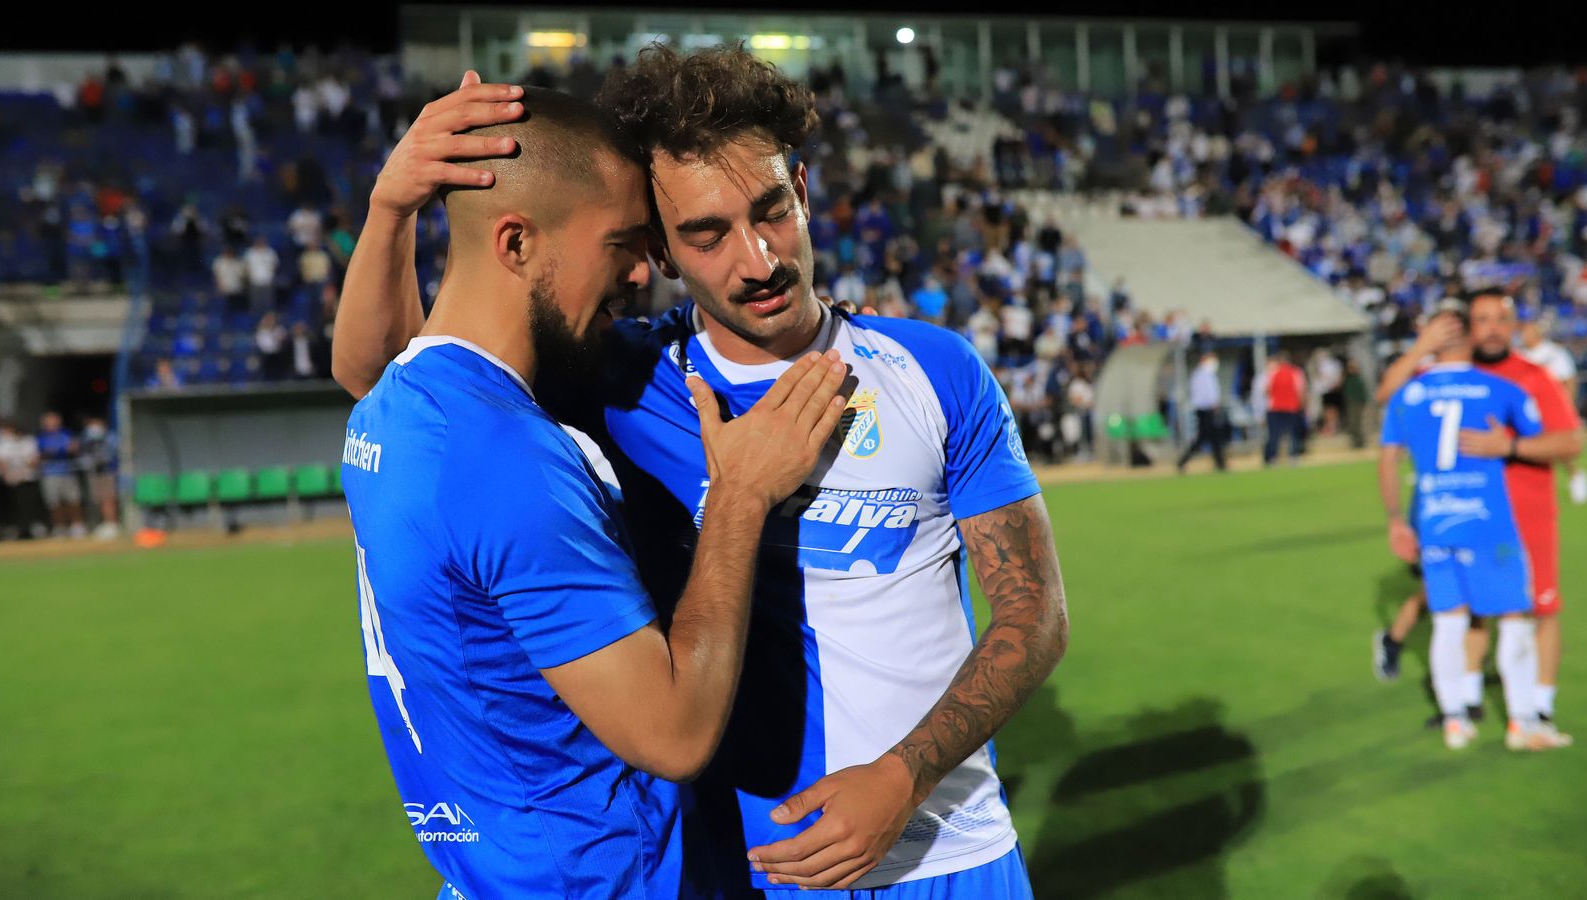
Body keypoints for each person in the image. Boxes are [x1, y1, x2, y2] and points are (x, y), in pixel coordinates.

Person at [335, 53, 1069, 896]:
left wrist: (908, 773)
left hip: (951, 850)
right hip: (747, 866)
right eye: (707, 234)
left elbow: (1035, 613)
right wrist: (391, 206)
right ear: (661, 250)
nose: (757, 260)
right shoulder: (621, 381)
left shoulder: (935, 370)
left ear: (800, 187)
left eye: (772, 212)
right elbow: (396, 371)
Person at [339, 83, 850, 899]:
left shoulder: (403, 408)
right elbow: (675, 732)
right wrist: (740, 496)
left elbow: (364, 364)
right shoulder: (509, 464)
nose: (644, 272)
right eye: (620, 241)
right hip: (602, 879)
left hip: (493, 873)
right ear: (515, 242)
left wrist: (390, 206)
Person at [1375, 290, 1583, 738]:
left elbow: (1570, 441)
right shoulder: (1440, 376)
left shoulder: (1531, 377)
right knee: (1466, 615)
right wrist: (1421, 348)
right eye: (1480, 319)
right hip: (1465, 517)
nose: (1490, 328)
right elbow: (1387, 396)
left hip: (1524, 517)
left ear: (1511, 325)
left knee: (1534, 611)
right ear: (1466, 329)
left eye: (1498, 319)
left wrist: (1508, 446)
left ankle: (1536, 711)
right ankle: (1468, 705)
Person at [1519, 318, 1587, 505]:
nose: (1523, 335)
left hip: (1551, 408)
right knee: (1530, 450)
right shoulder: (1520, 355)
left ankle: (1575, 475)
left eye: (1527, 331)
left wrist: (1567, 407)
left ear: (1536, 332)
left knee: (1561, 448)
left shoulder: (1554, 353)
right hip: (1527, 411)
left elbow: (1569, 379)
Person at [35, 411, 84, 539]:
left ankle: (77, 526)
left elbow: (73, 448)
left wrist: (56, 451)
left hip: (67, 471)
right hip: (50, 473)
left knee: (73, 499)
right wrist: (58, 451)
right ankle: (60, 527)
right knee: (54, 502)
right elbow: (41, 454)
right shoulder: (41, 437)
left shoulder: (66, 434)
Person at [1177, 352, 1227, 473]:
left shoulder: (1208, 375)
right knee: (1203, 438)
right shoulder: (1200, 375)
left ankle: (1220, 463)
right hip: (1204, 409)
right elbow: (1204, 394)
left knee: (1214, 437)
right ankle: (1183, 461)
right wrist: (1212, 404)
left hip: (1208, 409)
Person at [0, 420, 45, 539]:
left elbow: (34, 460)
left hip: (28, 479)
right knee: (13, 507)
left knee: (29, 505)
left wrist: (23, 470)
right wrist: (8, 473)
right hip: (11, 480)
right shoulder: (4, 442)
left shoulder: (29, 441)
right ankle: (15, 529)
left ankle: (31, 529)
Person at [1262, 350, 1306, 465]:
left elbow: (1267, 391)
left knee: (1274, 435)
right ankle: (1293, 457)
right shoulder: (1296, 372)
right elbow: (1300, 391)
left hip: (1275, 408)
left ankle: (1273, 458)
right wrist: (1302, 406)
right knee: (1292, 434)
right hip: (1292, 408)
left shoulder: (1272, 373)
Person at [78, 416, 119, 540]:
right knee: (100, 499)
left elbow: (115, 452)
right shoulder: (88, 438)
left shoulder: (111, 437)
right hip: (96, 473)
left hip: (108, 472)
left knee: (108, 498)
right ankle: (106, 523)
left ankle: (112, 524)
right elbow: (83, 450)